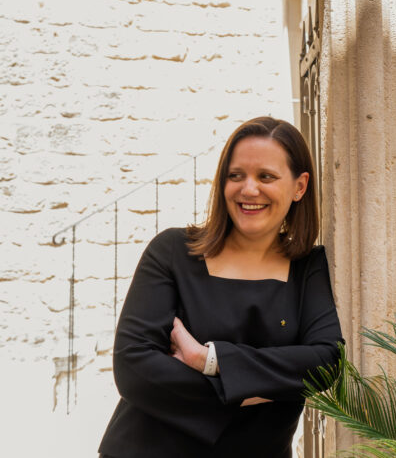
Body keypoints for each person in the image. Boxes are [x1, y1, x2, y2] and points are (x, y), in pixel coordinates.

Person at [99, 117, 343, 458]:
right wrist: (257, 388)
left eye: (266, 177)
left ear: (300, 186)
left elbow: (325, 363)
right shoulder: (173, 252)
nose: (248, 189)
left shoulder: (308, 267)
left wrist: (208, 360)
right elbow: (134, 369)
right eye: (236, 175)